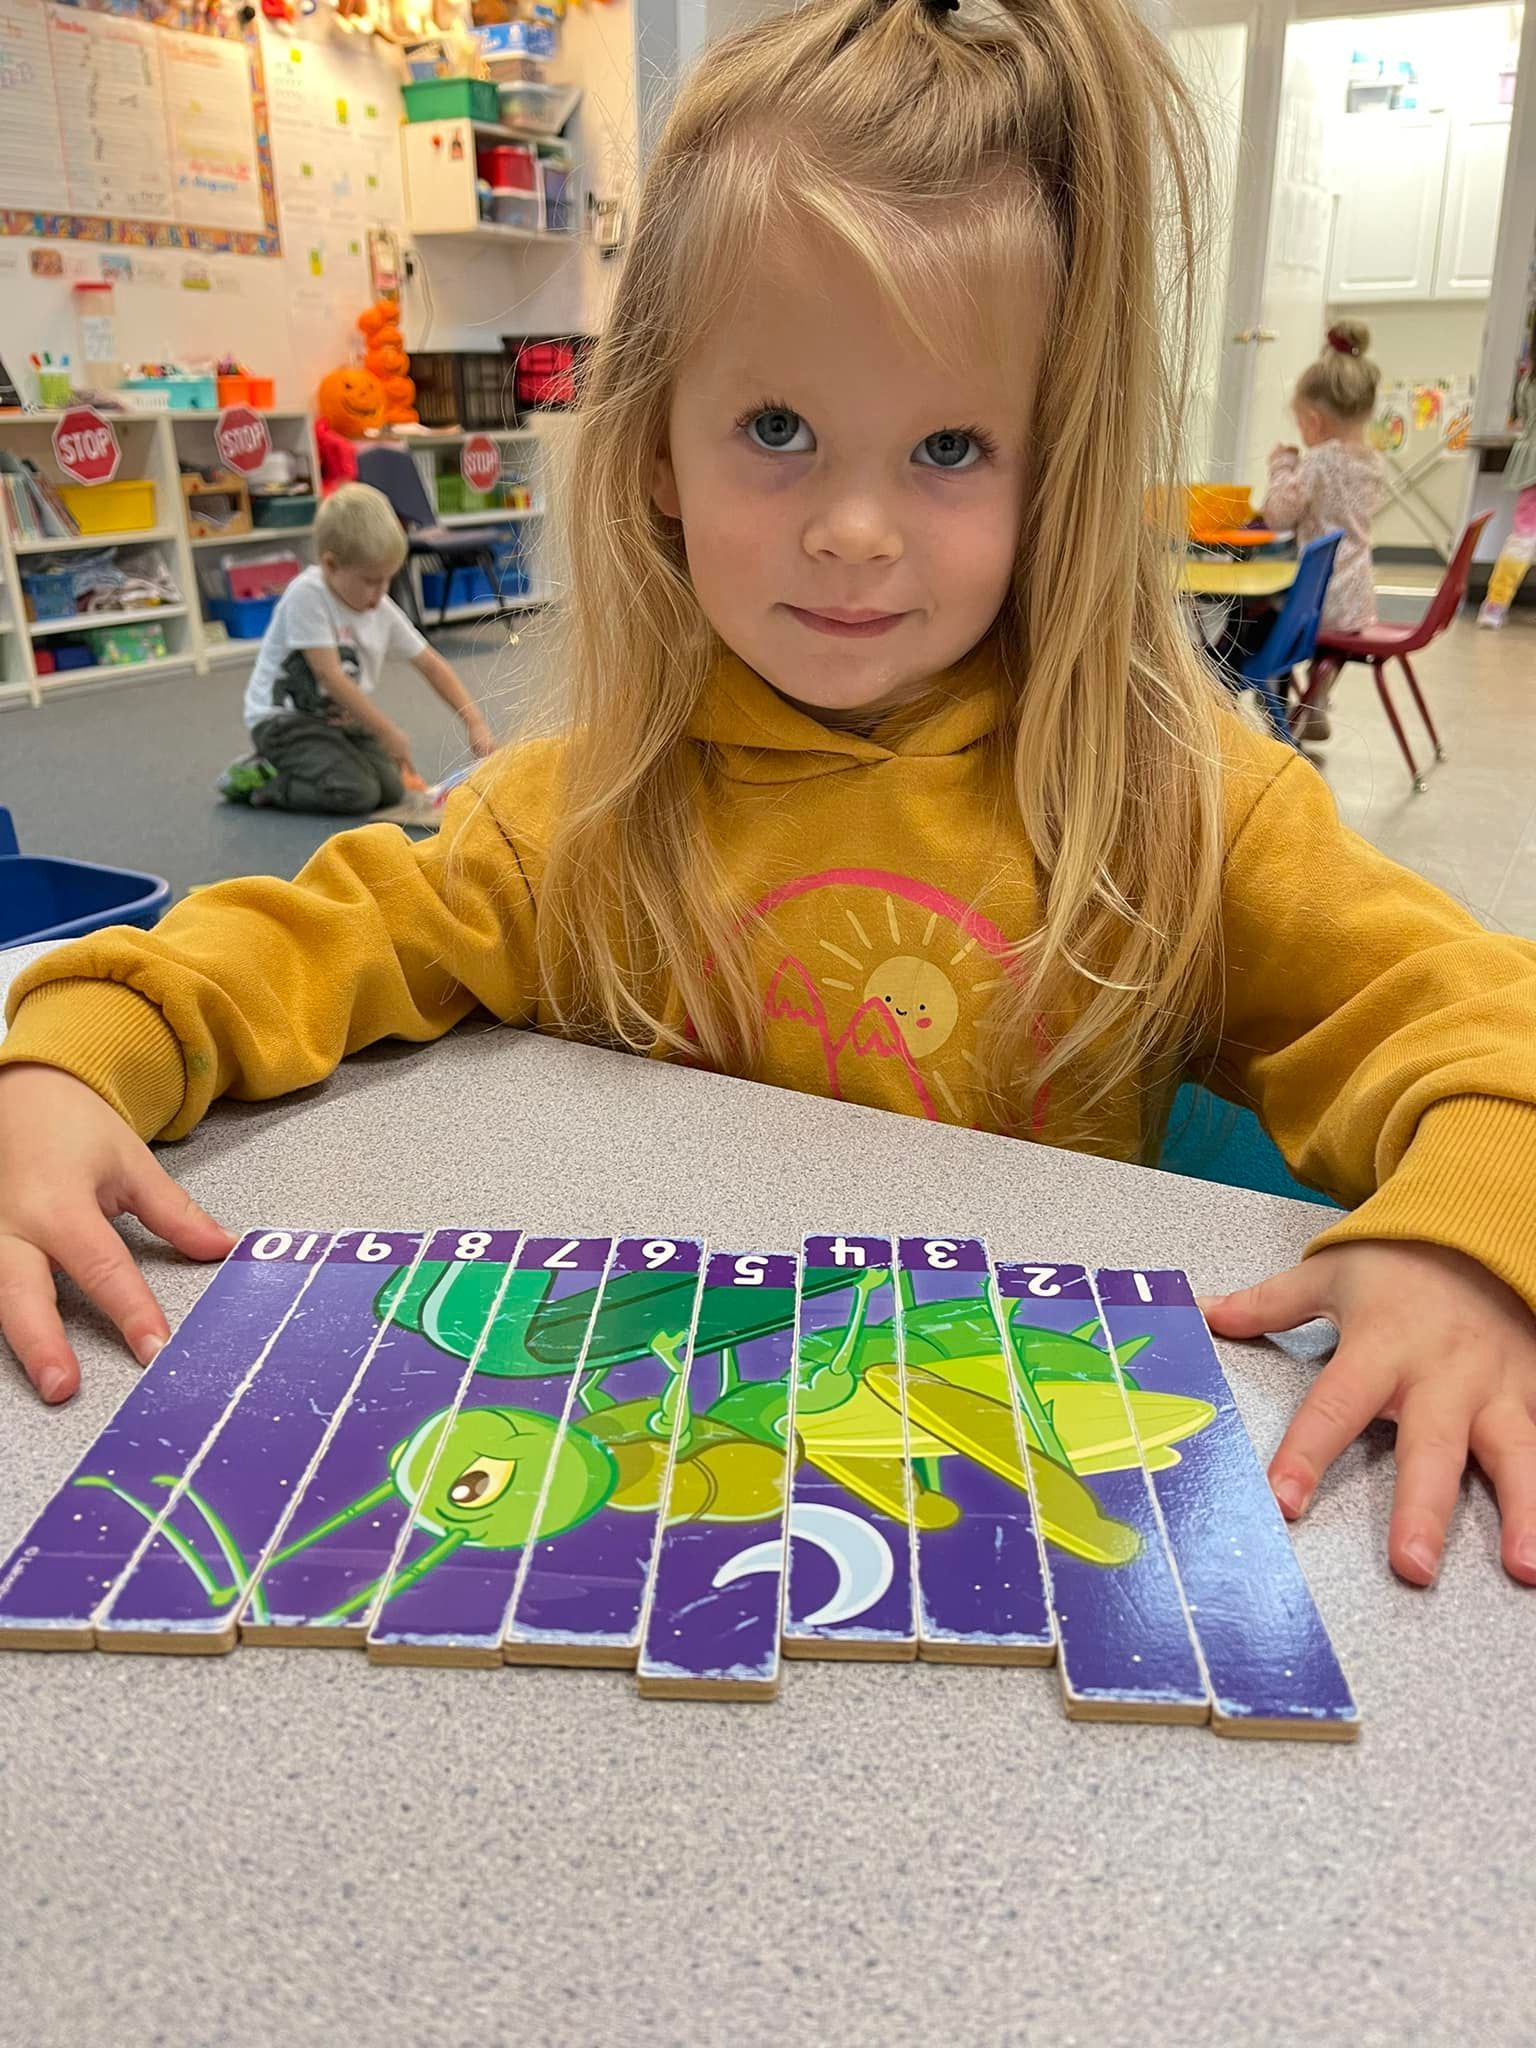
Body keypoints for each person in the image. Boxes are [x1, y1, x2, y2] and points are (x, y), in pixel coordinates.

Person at [2, 0, 1534, 1595]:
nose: (856, 528)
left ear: (1055, 461)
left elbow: (1488, 1020)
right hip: (660, 1495)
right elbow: (303, 937)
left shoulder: (1170, 802)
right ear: (657, 444)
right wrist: (69, 1061)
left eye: (950, 444)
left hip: (1006, 1501)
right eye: (779, 430)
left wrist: (1464, 1241)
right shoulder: (580, 814)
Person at [219, 482, 496, 814]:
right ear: (330, 565)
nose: (380, 593)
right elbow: (330, 676)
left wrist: (474, 722)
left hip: (337, 722)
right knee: (357, 793)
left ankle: (312, 766)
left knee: (390, 789)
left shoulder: (379, 606)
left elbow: (432, 665)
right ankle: (262, 779)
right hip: (284, 723)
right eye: (370, 580)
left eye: (387, 580)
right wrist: (387, 732)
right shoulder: (307, 595)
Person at [1259, 323, 1386, 740]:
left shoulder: (1318, 461)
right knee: (1329, 640)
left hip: (1320, 595)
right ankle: (1317, 697)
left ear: (1313, 421)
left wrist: (1282, 465)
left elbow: (1278, 514)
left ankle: (1270, 700)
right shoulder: (1371, 461)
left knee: (1261, 610)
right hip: (1356, 595)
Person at [1477, 368, 1536, 629]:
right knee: (1523, 537)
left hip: (1532, 462)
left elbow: (1524, 417)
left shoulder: (1528, 379)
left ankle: (1495, 606)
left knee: (1522, 537)